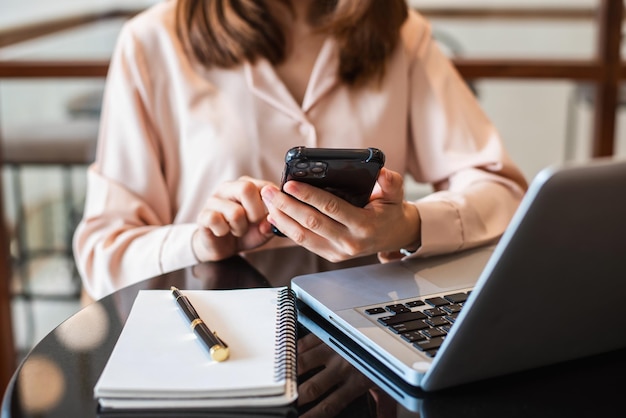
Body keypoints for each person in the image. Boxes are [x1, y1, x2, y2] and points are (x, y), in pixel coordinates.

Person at [73, 0, 528, 300]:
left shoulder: (402, 32)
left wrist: (408, 226)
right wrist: (198, 240)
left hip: (373, 340)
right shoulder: (151, 42)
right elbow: (103, 253)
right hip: (218, 341)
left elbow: (503, 193)